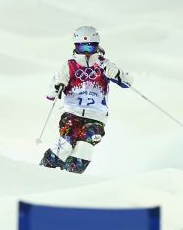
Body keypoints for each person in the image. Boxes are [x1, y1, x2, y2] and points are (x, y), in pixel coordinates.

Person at [39, 26, 134, 173]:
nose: (86, 52)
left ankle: (71, 175)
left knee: (85, 146)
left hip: (96, 116)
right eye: (82, 47)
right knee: (66, 143)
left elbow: (127, 82)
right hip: (72, 112)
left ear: (97, 46)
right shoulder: (69, 65)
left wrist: (117, 74)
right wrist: (57, 86)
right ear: (75, 46)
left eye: (90, 48)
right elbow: (50, 93)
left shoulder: (104, 64)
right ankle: (44, 170)